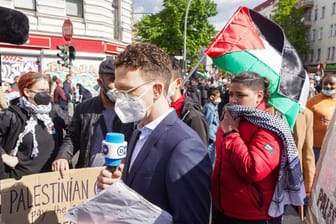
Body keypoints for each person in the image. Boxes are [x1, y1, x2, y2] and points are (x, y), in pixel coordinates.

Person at [97, 43, 212, 223]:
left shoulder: (185, 145)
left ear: (157, 90)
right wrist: (118, 185)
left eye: (128, 91)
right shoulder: (138, 132)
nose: (120, 99)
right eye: (117, 92)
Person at [212, 72, 305, 223]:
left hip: (253, 215)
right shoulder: (232, 117)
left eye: (240, 95)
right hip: (223, 209)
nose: (233, 100)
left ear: (259, 96)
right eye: (231, 94)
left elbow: (254, 169)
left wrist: (231, 134)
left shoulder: (270, 127)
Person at [52, 59, 134, 177]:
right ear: (100, 83)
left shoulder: (133, 110)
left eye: (120, 79)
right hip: (89, 177)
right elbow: (72, 137)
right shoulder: (84, 108)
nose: (118, 85)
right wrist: (63, 157)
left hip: (121, 176)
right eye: (112, 79)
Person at [0, 72, 70, 179]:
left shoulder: (55, 111)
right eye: (42, 91)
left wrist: (63, 156)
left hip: (50, 179)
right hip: (19, 181)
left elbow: (74, 133)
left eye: (47, 91)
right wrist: (4, 156)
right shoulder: (13, 115)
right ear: (27, 92)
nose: (46, 95)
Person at [168, 57, 209, 146]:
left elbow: (199, 153)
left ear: (178, 83)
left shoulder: (193, 116)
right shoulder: (157, 111)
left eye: (165, 81)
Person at [306, 73, 336, 163]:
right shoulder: (312, 102)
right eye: (325, 83)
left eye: (331, 84)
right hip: (317, 147)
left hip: (333, 147)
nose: (328, 86)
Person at [203, 87, 221, 164]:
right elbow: (208, 123)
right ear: (211, 97)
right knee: (210, 156)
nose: (219, 99)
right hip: (211, 137)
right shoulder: (209, 107)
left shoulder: (214, 106)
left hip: (214, 135)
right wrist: (211, 137)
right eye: (218, 97)